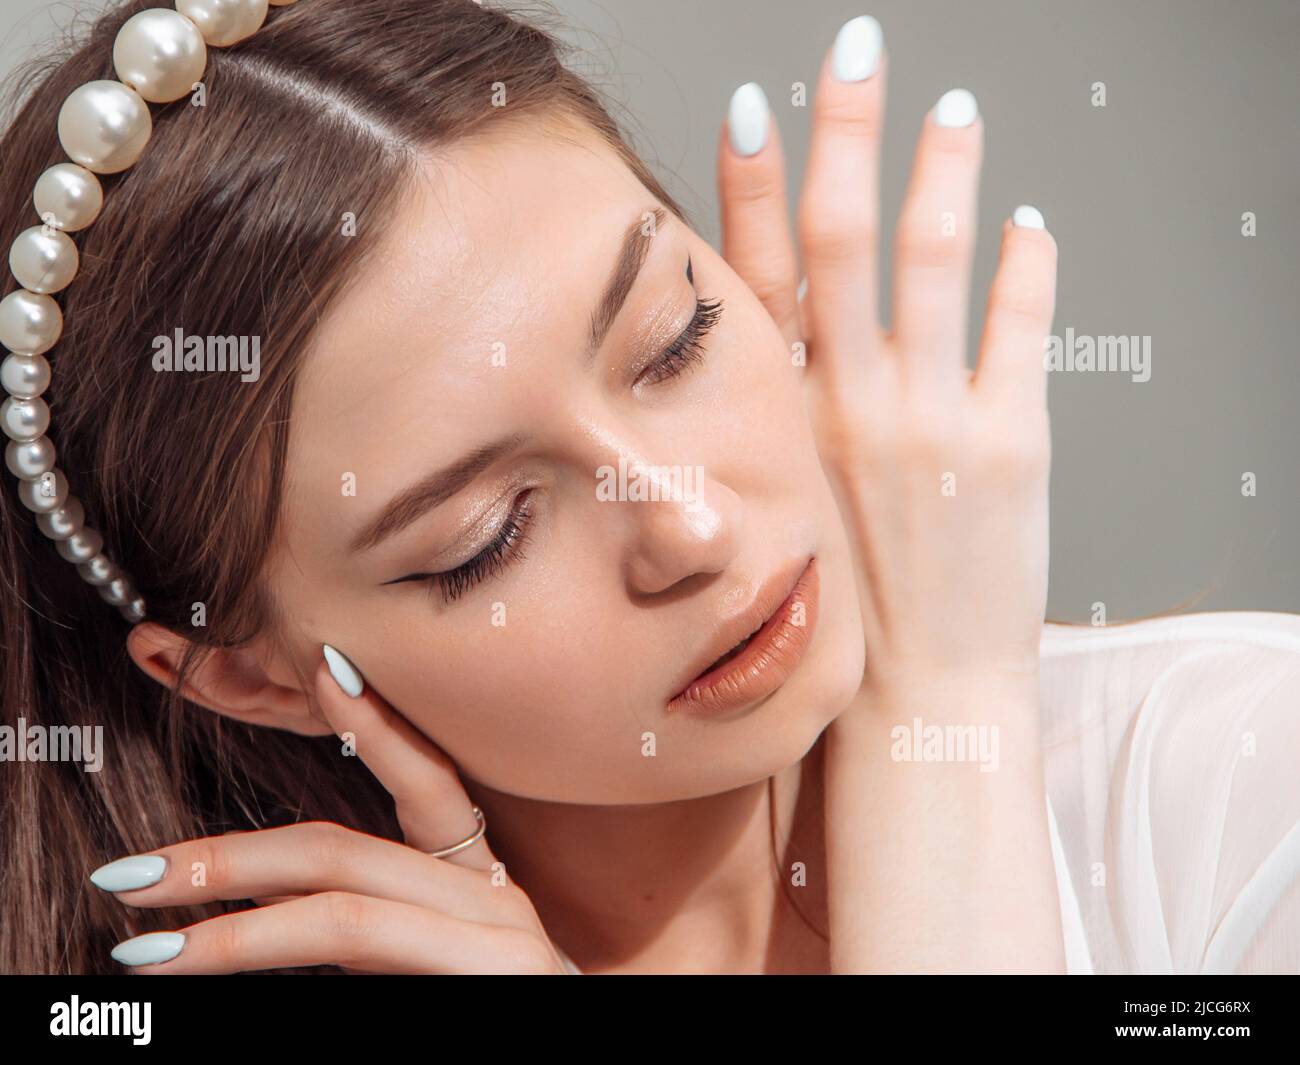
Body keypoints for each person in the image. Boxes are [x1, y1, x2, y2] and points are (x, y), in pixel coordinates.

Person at [1, 1, 1294, 975]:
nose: (689, 523)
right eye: (485, 537)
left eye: (674, 338)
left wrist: (940, 716)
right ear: (256, 676)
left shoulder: (1235, 782)